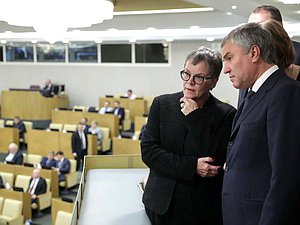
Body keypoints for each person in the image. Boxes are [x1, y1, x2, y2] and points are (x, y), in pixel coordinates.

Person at [141, 47, 236, 225]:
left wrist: (195, 118)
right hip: (159, 204)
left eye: (198, 77)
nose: (189, 82)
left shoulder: (227, 114)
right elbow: (149, 152)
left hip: (199, 211)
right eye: (186, 74)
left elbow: (213, 162)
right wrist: (192, 166)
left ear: (213, 82)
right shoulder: (162, 104)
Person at [221, 23, 300, 225]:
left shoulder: (285, 92)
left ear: (254, 52)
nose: (225, 69)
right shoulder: (251, 95)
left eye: (229, 58)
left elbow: (286, 176)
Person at [248, 5, 300, 74]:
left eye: (261, 25)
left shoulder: (298, 52)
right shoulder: (250, 54)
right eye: (250, 27)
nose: (254, 31)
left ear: (279, 26)